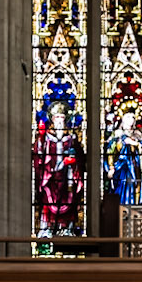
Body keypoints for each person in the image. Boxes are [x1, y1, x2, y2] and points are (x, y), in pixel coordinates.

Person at [34, 100, 84, 235]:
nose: (60, 122)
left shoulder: (71, 139)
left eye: (62, 118)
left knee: (70, 200)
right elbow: (40, 159)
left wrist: (73, 159)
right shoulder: (46, 139)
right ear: (52, 121)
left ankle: (67, 229)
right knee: (47, 201)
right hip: (50, 179)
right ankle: (46, 230)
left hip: (68, 178)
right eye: (57, 119)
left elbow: (80, 160)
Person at [105, 98, 142, 208]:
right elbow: (110, 152)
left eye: (133, 117)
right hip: (122, 168)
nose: (131, 120)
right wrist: (111, 167)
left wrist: (138, 144)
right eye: (128, 117)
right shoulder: (117, 134)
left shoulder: (138, 135)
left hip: (136, 167)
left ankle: (137, 208)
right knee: (122, 187)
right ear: (123, 119)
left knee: (137, 188)